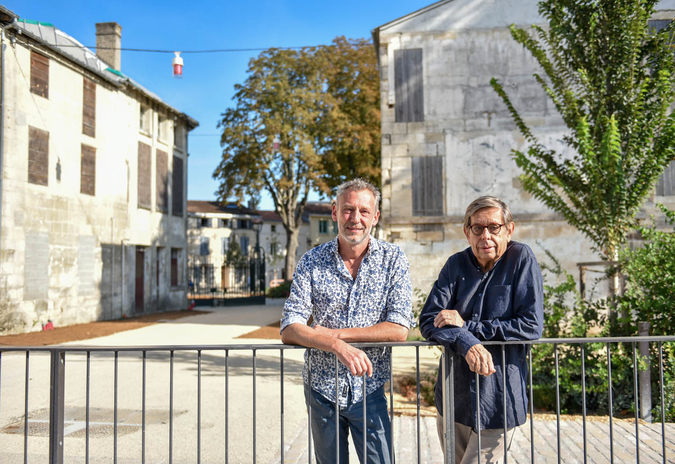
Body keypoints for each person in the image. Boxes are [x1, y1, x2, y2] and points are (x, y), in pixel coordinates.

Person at [281, 178, 413, 464]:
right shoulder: (311, 261)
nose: (355, 218)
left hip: (371, 389)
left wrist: (339, 335)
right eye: (348, 209)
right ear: (334, 212)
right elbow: (290, 326)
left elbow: (400, 328)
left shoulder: (393, 259)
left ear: (375, 217)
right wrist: (334, 345)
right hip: (321, 390)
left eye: (364, 211)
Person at [419, 196, 544, 463]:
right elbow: (430, 318)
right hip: (455, 398)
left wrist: (468, 327)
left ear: (509, 230)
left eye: (494, 227)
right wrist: (465, 340)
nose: (485, 235)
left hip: (497, 399)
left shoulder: (521, 259)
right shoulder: (455, 264)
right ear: (467, 232)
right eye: (478, 228)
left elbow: (531, 325)